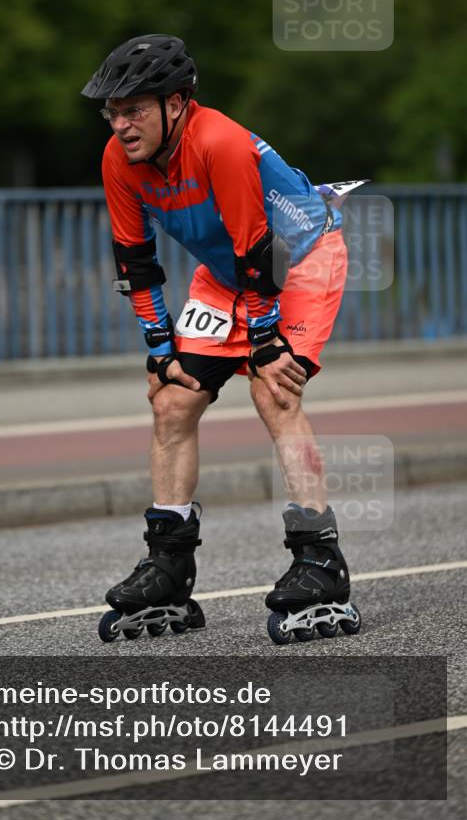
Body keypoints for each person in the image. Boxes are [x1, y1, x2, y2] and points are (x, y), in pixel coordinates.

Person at [82, 34, 360, 644]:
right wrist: (158, 345)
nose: (121, 124)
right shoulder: (118, 159)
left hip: (301, 257)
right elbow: (136, 260)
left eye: (134, 109)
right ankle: (169, 565)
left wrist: (265, 338)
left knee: (274, 390)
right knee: (172, 397)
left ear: (176, 104)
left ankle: (320, 561)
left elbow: (261, 250)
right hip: (230, 272)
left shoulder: (222, 142)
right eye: (113, 112)